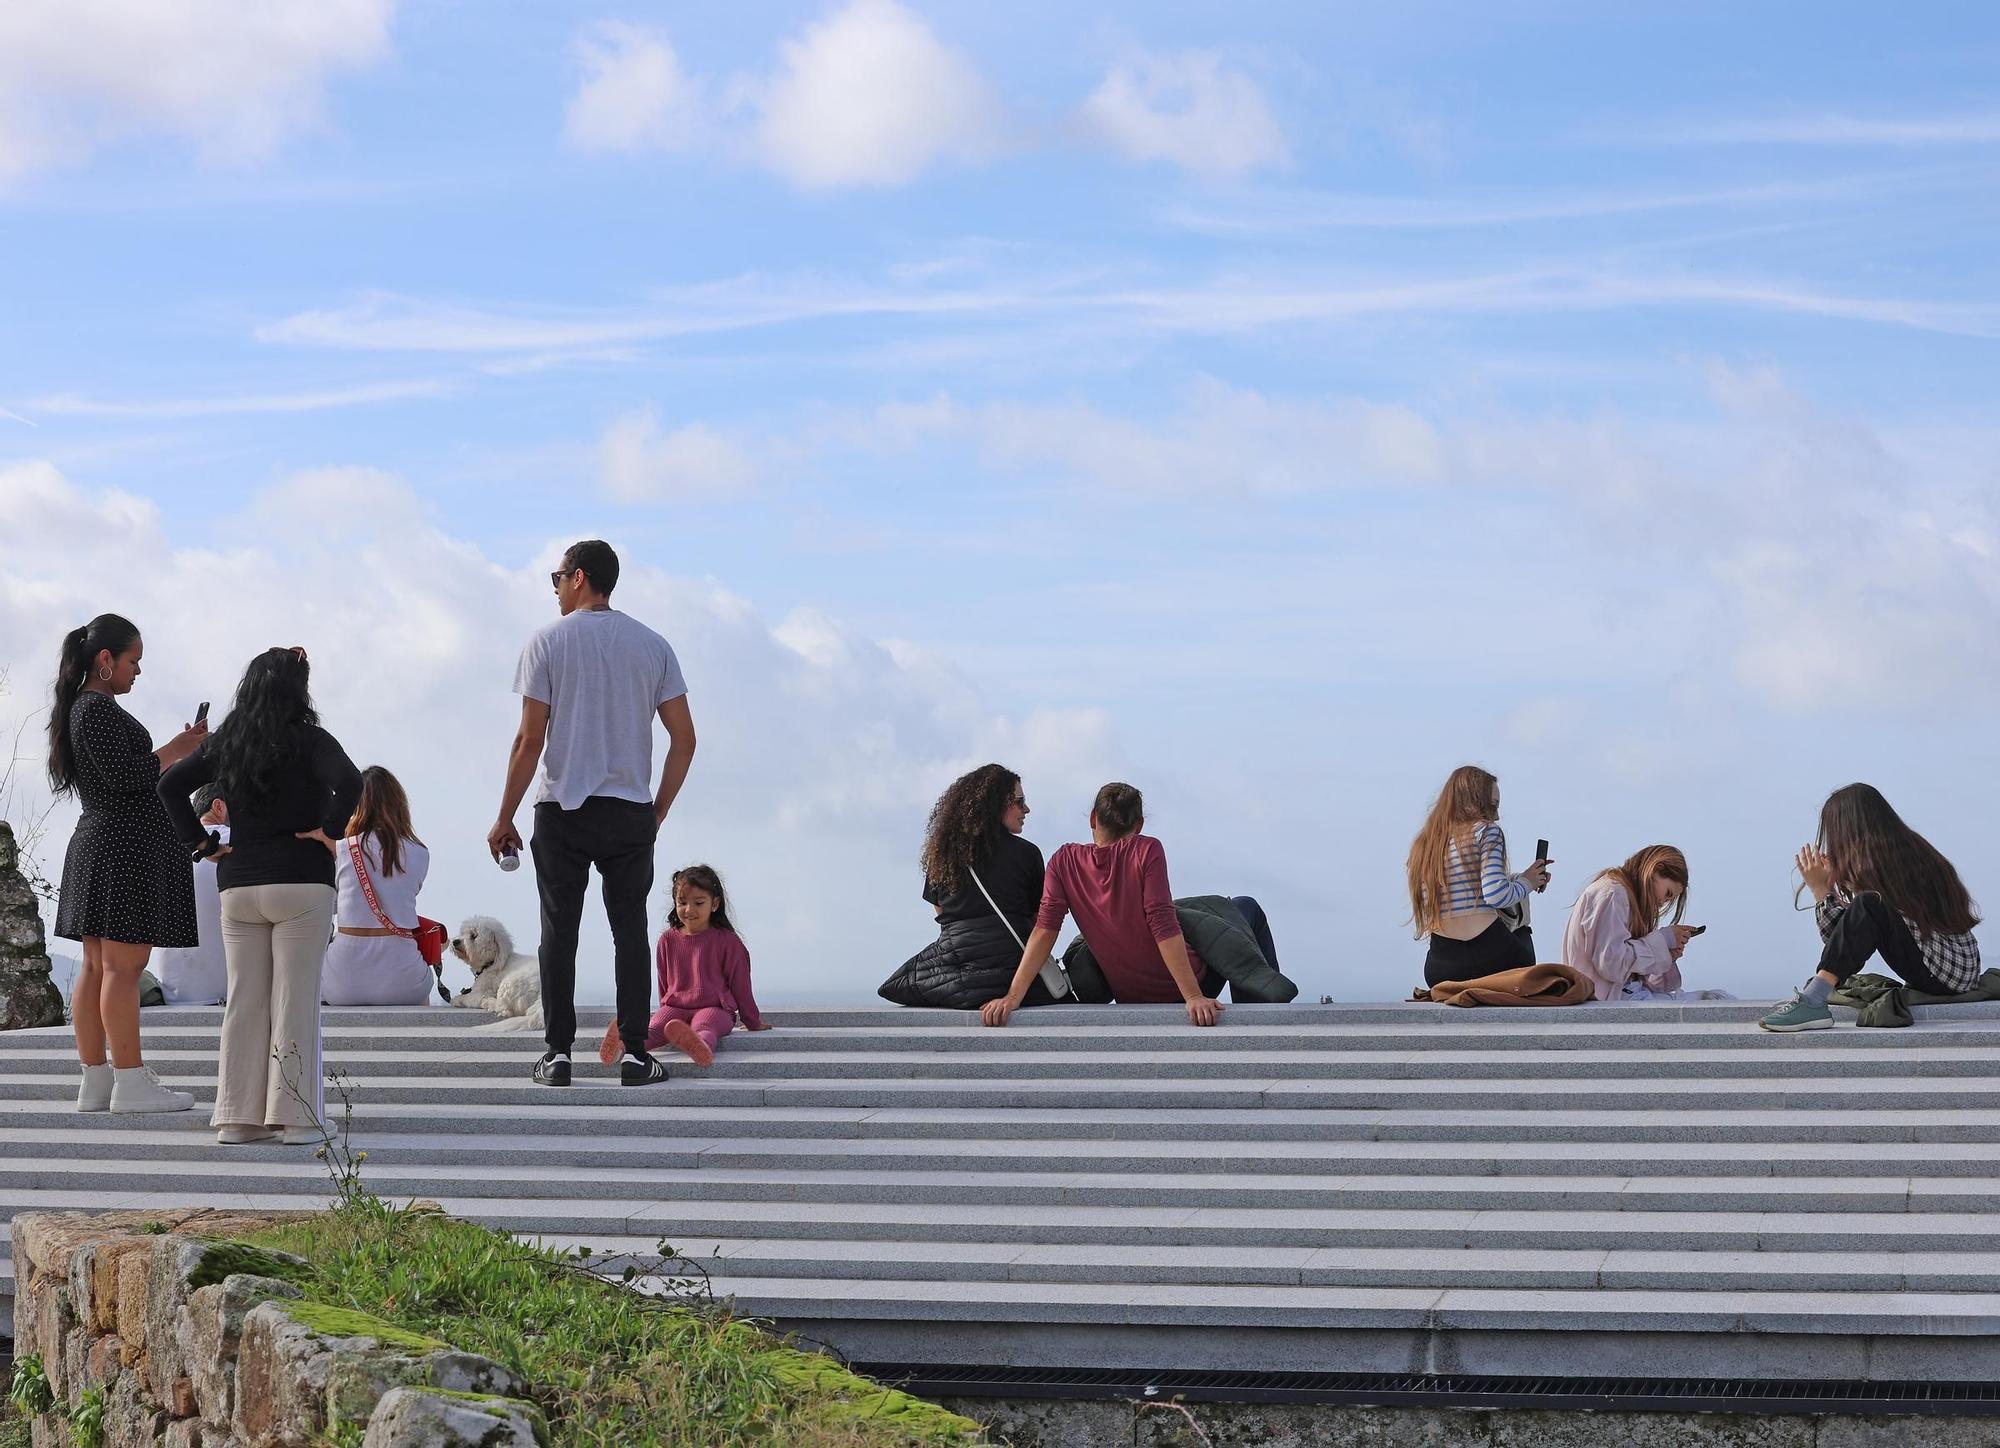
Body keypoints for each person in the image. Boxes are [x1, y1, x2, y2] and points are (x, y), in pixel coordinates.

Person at [488, 539, 696, 1089]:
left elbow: (530, 739)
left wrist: (504, 815)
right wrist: (657, 810)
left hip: (561, 808)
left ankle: (557, 1055)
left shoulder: (547, 642)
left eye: (556, 577)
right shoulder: (653, 646)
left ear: (578, 577)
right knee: (629, 931)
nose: (554, 587)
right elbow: (684, 740)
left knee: (559, 931)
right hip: (629, 810)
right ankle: (634, 1053)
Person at [160, 647, 362, 1145]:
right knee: (294, 999)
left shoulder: (229, 742)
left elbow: (169, 786)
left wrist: (202, 844)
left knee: (245, 1000)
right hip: (300, 883)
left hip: (239, 885)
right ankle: (296, 1119)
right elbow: (352, 782)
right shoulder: (310, 740)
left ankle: (236, 1118)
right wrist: (328, 829)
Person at [48, 614, 208, 1114]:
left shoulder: (82, 710)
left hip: (104, 845)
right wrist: (178, 750)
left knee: (99, 968)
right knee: (122, 967)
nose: (137, 671)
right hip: (123, 849)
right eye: (133, 661)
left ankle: (97, 1079)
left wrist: (173, 756)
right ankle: (129, 1080)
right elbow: (129, 776)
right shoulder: (96, 710)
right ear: (105, 660)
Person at [980, 782, 1226, 1027]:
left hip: (1130, 996)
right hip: (1191, 984)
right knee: (1245, 910)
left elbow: (1044, 930)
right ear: (1139, 825)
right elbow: (1162, 923)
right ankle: (1261, 1003)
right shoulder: (1147, 849)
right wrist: (1193, 996)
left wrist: (1012, 998)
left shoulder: (1063, 862)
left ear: (1093, 819)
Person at [1761, 784, 1982, 1033]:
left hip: (1943, 973)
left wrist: (1820, 890)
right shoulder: (1906, 849)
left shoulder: (1879, 863)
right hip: (1958, 969)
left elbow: (1844, 936)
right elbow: (1847, 939)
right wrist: (1825, 890)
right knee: (1868, 903)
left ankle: (1813, 1001)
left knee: (1868, 903)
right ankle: (1814, 998)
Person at [877, 764, 1047, 1009]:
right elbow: (1038, 921)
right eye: (1020, 801)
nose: (1026, 809)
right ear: (996, 804)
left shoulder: (943, 857)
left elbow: (942, 914)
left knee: (898, 983)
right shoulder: (1027, 854)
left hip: (958, 974)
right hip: (1013, 973)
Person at [597, 864, 768, 1067]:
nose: (689, 910)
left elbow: (740, 985)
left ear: (714, 904)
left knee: (705, 1026)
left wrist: (752, 1021)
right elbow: (664, 981)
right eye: (682, 902)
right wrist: (664, 1009)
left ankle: (699, 1045)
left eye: (698, 903)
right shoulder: (667, 940)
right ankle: (622, 1045)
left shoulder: (727, 941)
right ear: (675, 903)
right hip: (676, 1008)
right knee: (655, 1028)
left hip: (713, 1008)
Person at [1406, 765, 1551, 987]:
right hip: (1493, 958)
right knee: (1521, 924)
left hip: (1442, 965)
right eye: (1493, 805)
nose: (1496, 815)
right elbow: (1496, 895)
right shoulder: (1486, 831)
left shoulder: (1425, 845)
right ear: (1476, 801)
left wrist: (1520, 878)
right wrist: (1528, 882)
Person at [323, 766, 437, 1007]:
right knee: (420, 981)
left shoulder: (340, 849)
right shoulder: (420, 852)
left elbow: (330, 905)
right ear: (399, 805)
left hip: (342, 985)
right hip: (404, 982)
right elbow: (403, 897)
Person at [1562, 846, 1696, 1001]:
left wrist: (1667, 954)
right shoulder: (1613, 894)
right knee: (1715, 1000)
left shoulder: (1627, 900)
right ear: (1655, 869)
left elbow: (1646, 984)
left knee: (1715, 998)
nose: (1662, 903)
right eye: (1667, 894)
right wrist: (1663, 939)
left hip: (1618, 1000)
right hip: (1603, 1005)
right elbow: (1611, 964)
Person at [154, 785, 230, 1007]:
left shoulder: (166, 847)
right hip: (238, 990)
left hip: (179, 993)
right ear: (219, 806)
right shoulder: (235, 840)